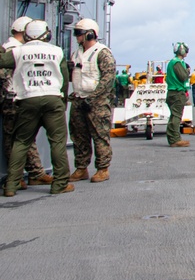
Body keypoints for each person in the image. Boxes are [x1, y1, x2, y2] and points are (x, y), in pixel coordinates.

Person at [1, 20, 74, 196]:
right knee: (57, 142)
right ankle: (60, 184)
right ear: (47, 35)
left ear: (26, 35)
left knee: (21, 142)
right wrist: (63, 103)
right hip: (52, 98)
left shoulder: (18, 52)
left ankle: (11, 185)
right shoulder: (56, 52)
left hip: (27, 100)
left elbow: (2, 61)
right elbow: (64, 79)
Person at [0, 16, 54, 189]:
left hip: (12, 99)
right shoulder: (16, 50)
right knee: (22, 138)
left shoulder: (8, 49)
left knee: (18, 139)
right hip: (16, 99)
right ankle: (28, 175)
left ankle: (24, 176)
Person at [68, 17, 116, 184]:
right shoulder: (77, 53)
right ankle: (81, 168)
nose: (77, 37)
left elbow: (108, 78)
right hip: (79, 99)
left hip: (96, 103)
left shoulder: (102, 52)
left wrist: (94, 97)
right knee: (79, 136)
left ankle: (103, 169)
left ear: (89, 34)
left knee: (100, 136)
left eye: (79, 33)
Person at [165, 43, 191, 148]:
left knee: (174, 116)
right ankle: (175, 139)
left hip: (172, 91)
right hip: (177, 92)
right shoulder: (177, 63)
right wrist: (187, 71)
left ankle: (174, 138)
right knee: (176, 116)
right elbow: (183, 76)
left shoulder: (173, 62)